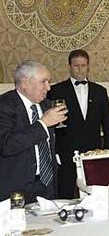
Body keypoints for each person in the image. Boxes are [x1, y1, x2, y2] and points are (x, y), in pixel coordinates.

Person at [47, 49, 109, 199]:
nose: (80, 69)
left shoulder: (100, 91)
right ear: (69, 66)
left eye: (83, 65)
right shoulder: (56, 91)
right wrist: (55, 151)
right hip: (66, 152)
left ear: (88, 66)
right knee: (65, 194)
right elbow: (50, 126)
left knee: (95, 194)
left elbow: (107, 125)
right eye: (76, 65)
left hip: (93, 152)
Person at [0, 61, 67, 203]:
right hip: (17, 188)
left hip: (48, 184)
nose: (48, 88)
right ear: (24, 82)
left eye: (49, 82)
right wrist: (42, 124)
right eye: (43, 82)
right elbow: (6, 145)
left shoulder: (47, 105)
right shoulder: (4, 105)